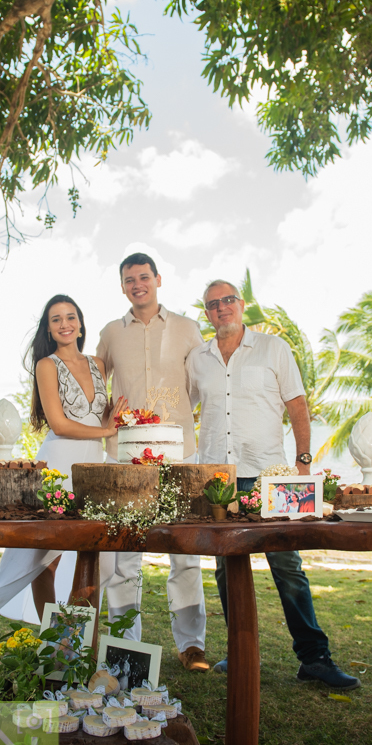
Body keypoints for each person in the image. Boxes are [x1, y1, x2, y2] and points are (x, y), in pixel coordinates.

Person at [187, 278, 361, 689]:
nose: (222, 308)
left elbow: (297, 405)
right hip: (218, 481)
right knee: (227, 568)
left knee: (287, 565)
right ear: (207, 313)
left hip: (273, 474)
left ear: (242, 305)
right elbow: (183, 409)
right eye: (213, 304)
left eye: (228, 300)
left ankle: (315, 658)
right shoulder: (198, 359)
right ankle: (240, 651)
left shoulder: (273, 349)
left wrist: (303, 462)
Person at [0, 295, 128, 627]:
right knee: (44, 555)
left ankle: (75, 632)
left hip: (91, 466)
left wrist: (114, 416)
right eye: (56, 319)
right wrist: (107, 430)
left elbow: (96, 417)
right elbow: (59, 423)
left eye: (71, 317)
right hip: (57, 463)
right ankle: (50, 631)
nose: (65, 324)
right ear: (49, 329)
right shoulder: (46, 365)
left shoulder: (98, 363)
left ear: (81, 323)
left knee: (88, 550)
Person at [94, 252, 211, 672]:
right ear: (122, 285)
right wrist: (112, 417)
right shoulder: (109, 333)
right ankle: (125, 647)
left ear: (158, 279)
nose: (137, 284)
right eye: (130, 279)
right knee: (124, 551)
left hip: (180, 453)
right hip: (124, 456)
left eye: (144, 277)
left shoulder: (187, 328)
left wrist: (173, 414)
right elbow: (95, 390)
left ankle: (192, 645)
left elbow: (199, 384)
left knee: (186, 551)